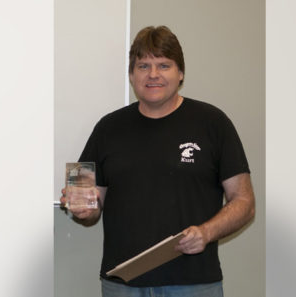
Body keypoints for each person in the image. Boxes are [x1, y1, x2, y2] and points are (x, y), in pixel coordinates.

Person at [60, 25, 255, 297]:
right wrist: (80, 206)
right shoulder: (106, 128)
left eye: (164, 65)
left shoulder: (214, 123)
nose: (153, 74)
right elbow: (89, 207)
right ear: (131, 75)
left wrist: (207, 233)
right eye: (143, 66)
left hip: (195, 285)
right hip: (121, 286)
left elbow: (245, 202)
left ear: (181, 73)